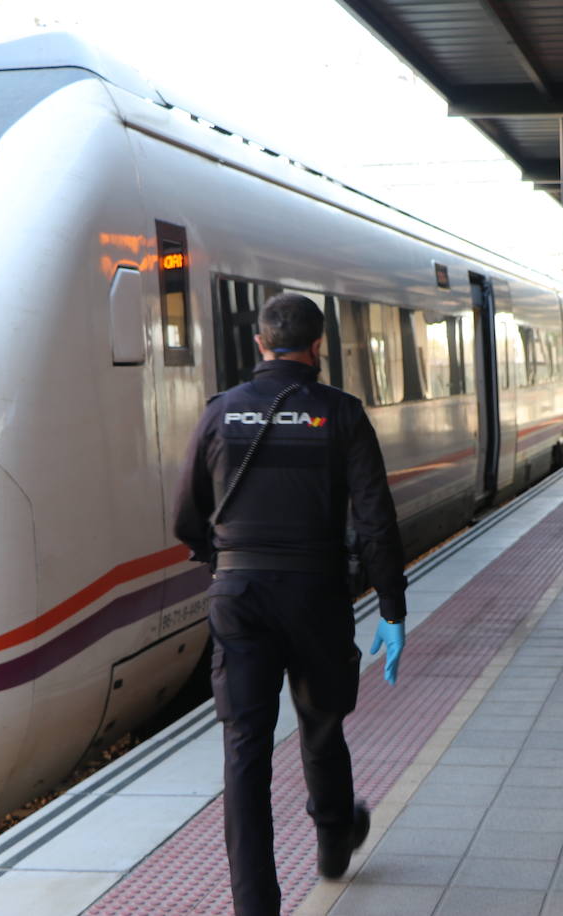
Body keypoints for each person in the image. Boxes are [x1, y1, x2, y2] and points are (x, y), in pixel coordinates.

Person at [173, 292, 407, 915]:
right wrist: (391, 609)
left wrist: (223, 563)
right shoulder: (341, 413)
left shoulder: (220, 413)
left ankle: (256, 907)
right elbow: (377, 522)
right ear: (318, 346)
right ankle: (333, 841)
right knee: (321, 724)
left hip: (239, 597)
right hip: (317, 595)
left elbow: (185, 516)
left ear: (259, 344)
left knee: (244, 751)